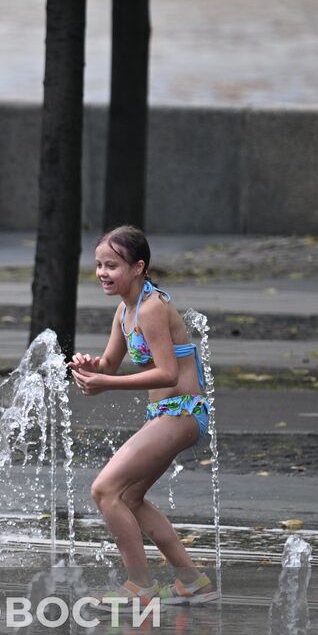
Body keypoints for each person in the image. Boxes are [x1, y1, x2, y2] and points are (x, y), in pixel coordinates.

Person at [70, 226, 220, 607]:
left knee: (105, 490)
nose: (103, 273)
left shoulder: (152, 308)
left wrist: (105, 383)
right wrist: (92, 367)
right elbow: (109, 363)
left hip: (181, 413)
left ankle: (139, 585)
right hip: (167, 414)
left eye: (113, 266)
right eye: (99, 265)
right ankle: (192, 580)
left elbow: (168, 373)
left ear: (138, 267)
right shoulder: (125, 309)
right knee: (131, 497)